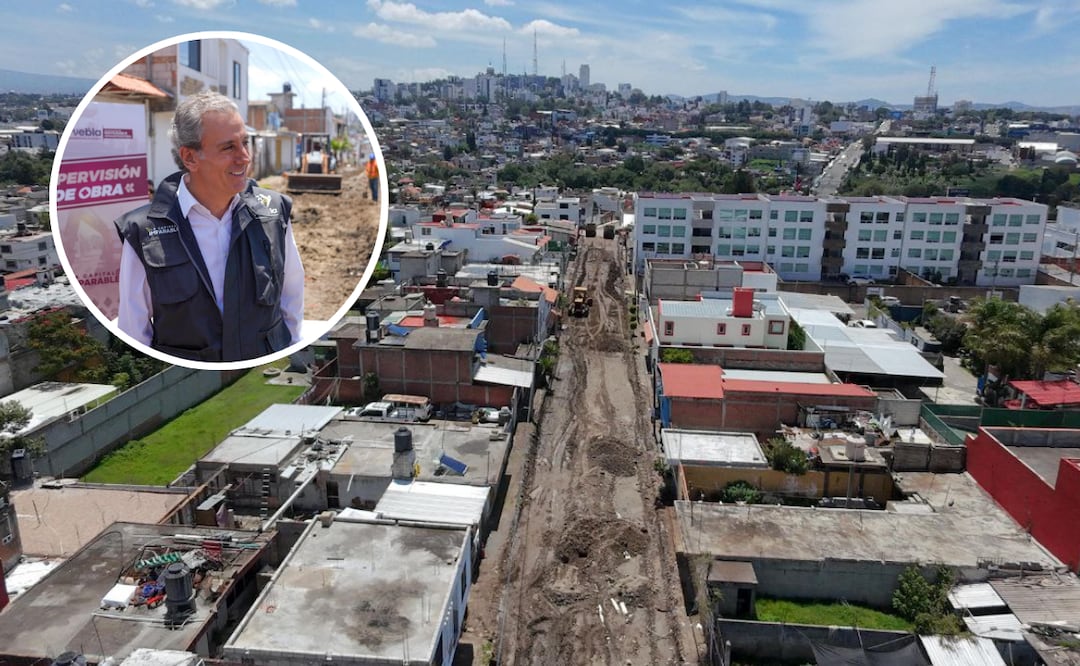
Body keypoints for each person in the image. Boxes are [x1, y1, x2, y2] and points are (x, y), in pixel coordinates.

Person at [115, 90, 304, 362]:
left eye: (245, 143)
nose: (244, 157)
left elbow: (292, 298)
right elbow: (135, 331)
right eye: (228, 147)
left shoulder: (273, 213)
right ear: (190, 158)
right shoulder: (143, 232)